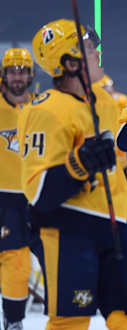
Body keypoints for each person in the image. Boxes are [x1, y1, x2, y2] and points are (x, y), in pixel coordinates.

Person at [19, 19, 127, 329]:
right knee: (71, 321)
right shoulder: (44, 111)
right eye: (90, 49)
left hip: (115, 223)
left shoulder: (103, 101)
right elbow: (36, 192)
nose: (97, 53)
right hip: (70, 229)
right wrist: (80, 162)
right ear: (69, 62)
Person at [0, 48, 36, 330]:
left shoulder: (42, 106)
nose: (17, 76)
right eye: (12, 70)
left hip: (40, 194)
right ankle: (13, 320)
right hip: (5, 197)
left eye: (23, 70)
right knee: (16, 261)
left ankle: (65, 316)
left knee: (55, 259)